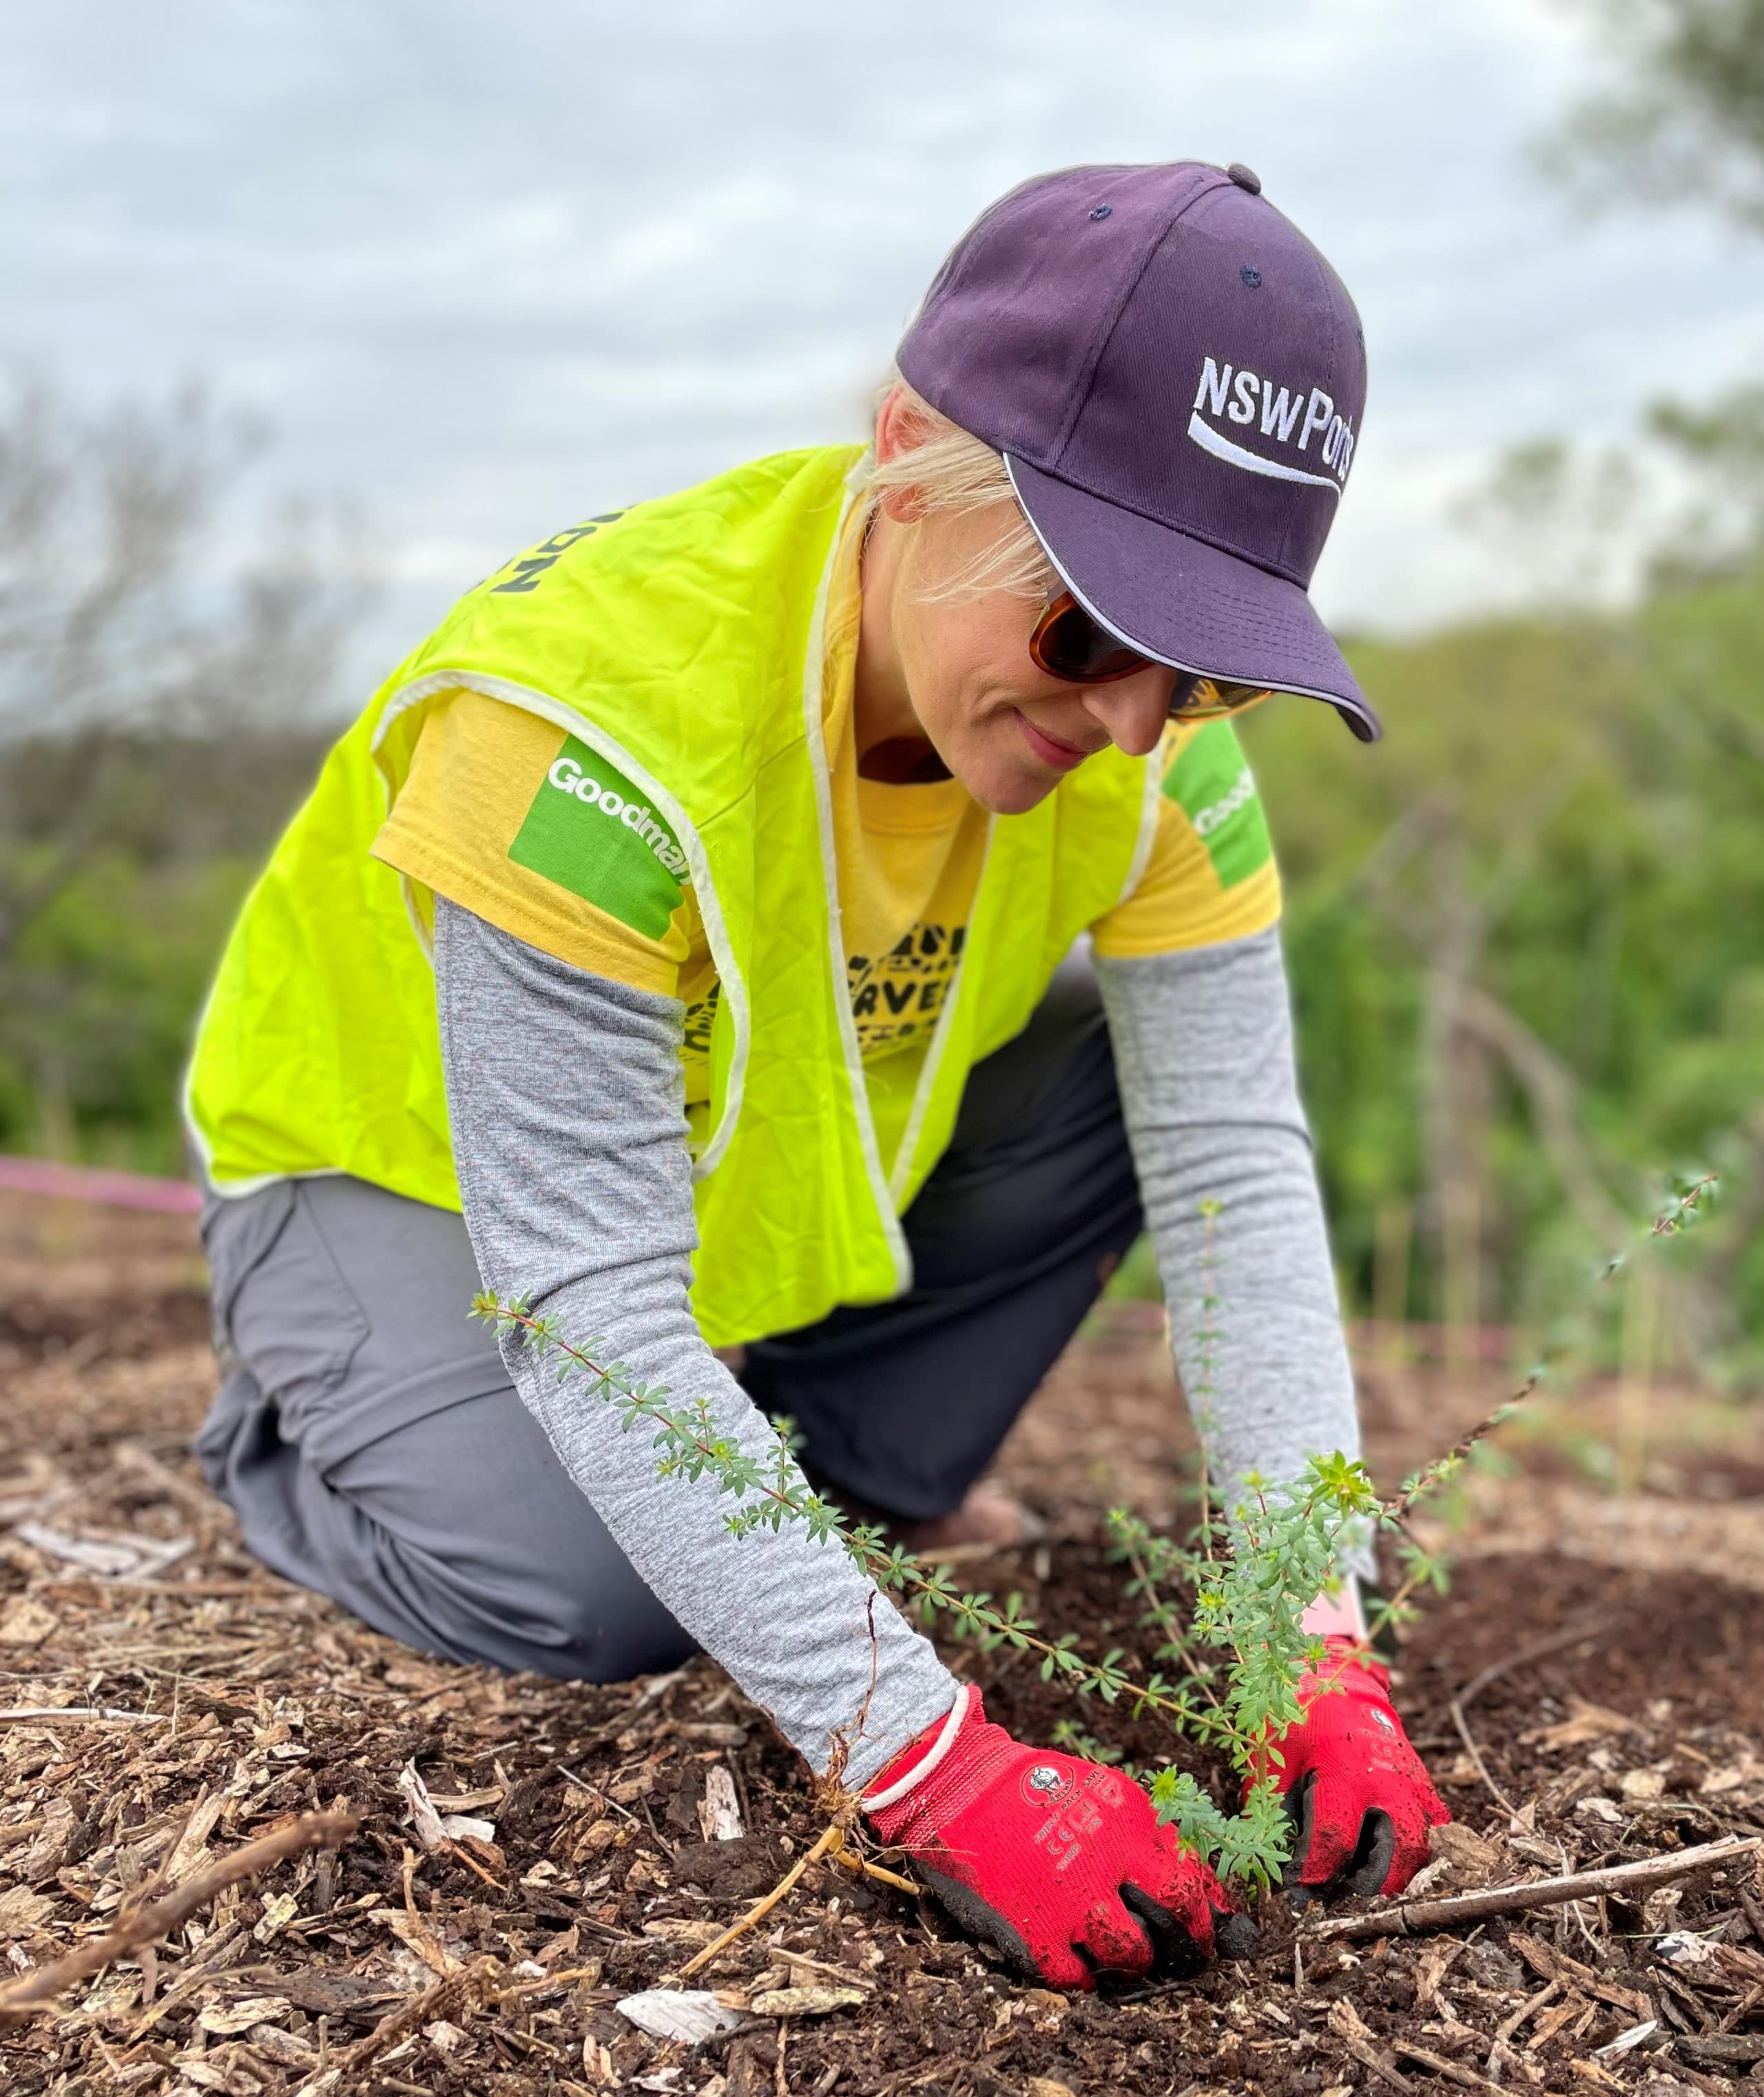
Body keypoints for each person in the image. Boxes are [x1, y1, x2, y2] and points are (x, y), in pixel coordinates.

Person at [185, 159, 1448, 1992]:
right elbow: (589, 1296)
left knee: (1126, 1091)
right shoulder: (579, 727)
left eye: (1202, 676)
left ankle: (800, 1479)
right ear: (910, 456)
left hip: (727, 1180)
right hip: (404, 1178)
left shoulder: (1151, 766)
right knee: (593, 1602)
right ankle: (303, 1435)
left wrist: (1312, 1627)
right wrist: (930, 1771)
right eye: (1088, 630)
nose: (1123, 726)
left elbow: (1238, 1177)